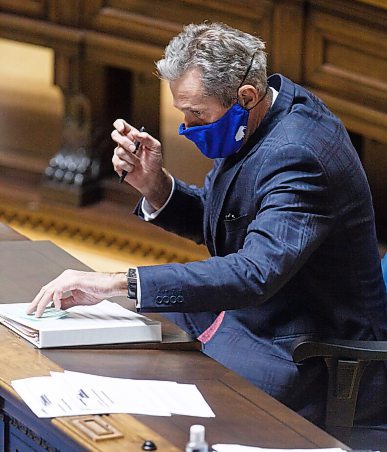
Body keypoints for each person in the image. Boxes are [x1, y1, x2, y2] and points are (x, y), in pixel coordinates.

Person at [27, 22, 387, 430]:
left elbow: (253, 273)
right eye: (182, 113)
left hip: (305, 349)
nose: (188, 127)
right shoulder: (256, 120)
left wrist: (116, 280)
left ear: (246, 97)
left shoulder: (299, 154)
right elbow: (231, 225)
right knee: (115, 336)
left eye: (197, 114)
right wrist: (158, 188)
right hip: (256, 314)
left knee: (163, 414)